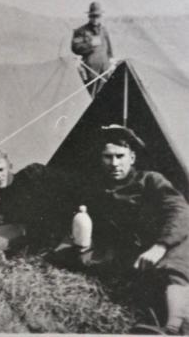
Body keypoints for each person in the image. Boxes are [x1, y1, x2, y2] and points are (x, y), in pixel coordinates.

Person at [52, 125, 189, 335]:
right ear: (100, 159)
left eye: (120, 156)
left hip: (164, 245)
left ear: (132, 158)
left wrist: (159, 247)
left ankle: (173, 329)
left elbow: (180, 211)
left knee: (175, 262)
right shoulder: (95, 188)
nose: (114, 163)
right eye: (108, 157)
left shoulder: (150, 179)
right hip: (129, 254)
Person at [0, 148, 68, 247]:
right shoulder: (3, 201)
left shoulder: (33, 173)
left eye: (1, 169)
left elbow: (66, 185)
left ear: (9, 166)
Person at [71, 2, 114, 97]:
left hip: (105, 70)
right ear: (89, 16)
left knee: (106, 95)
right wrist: (90, 45)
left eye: (97, 16)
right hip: (90, 71)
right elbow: (75, 48)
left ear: (101, 16)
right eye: (93, 16)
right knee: (91, 97)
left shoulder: (104, 30)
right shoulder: (81, 31)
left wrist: (111, 61)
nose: (95, 18)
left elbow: (109, 48)